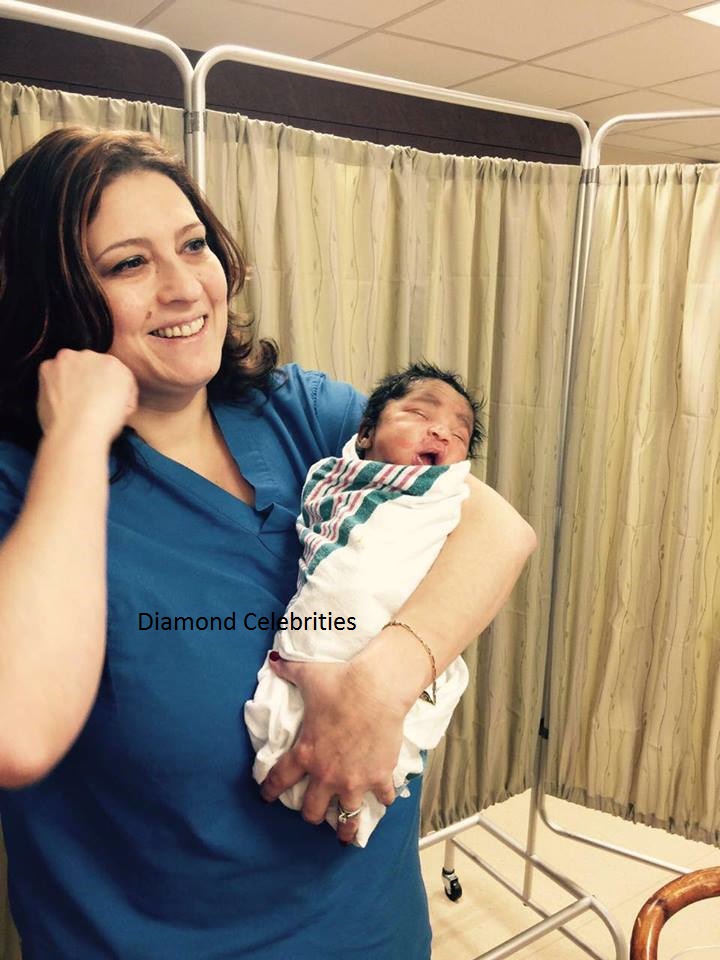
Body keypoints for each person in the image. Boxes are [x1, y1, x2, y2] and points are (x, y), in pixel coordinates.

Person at [0, 127, 536, 960]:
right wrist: (77, 433)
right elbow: (18, 733)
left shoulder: (297, 412)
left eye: (193, 245)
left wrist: (380, 684)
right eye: (128, 264)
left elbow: (496, 527)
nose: (185, 287)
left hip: (377, 934)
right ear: (51, 295)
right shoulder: (23, 485)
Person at [245, 363, 484, 846]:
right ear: (366, 433)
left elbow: (509, 537)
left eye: (459, 433)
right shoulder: (337, 480)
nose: (441, 431)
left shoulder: (443, 497)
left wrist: (379, 689)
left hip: (393, 641)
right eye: (419, 414)